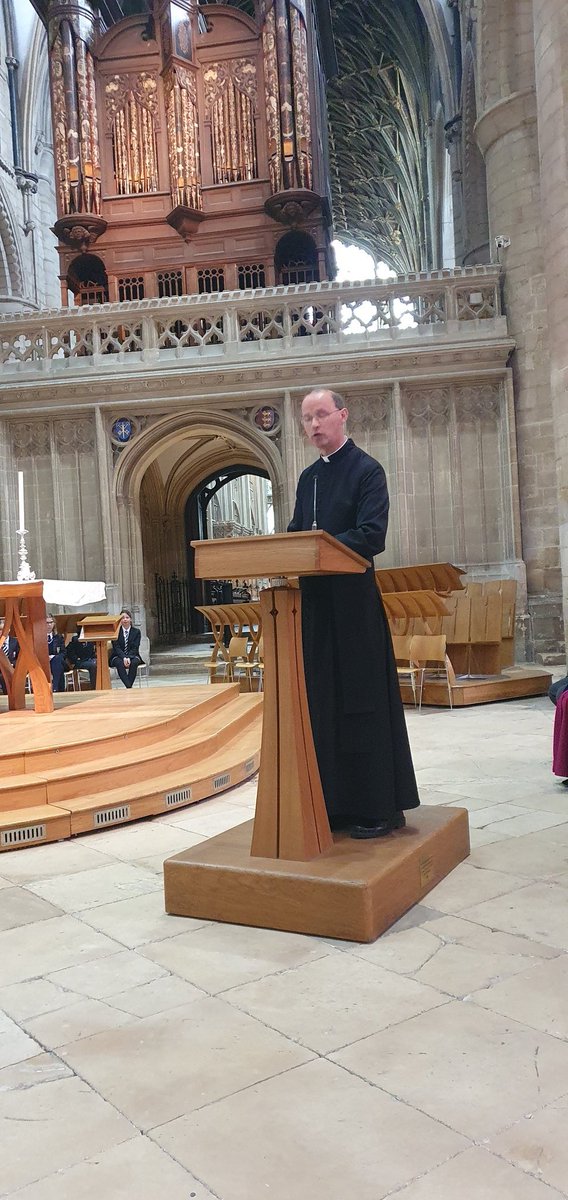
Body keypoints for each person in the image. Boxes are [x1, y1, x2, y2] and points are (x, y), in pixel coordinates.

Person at [288, 387, 420, 838]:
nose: (314, 425)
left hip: (354, 609)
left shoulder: (367, 470)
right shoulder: (308, 479)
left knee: (363, 704)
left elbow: (371, 535)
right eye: (307, 418)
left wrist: (319, 547)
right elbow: (296, 534)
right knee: (323, 703)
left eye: (321, 415)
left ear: (342, 415)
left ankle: (379, 807)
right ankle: (335, 805)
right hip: (316, 611)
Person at [109, 609, 143, 688]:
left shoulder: (136, 632)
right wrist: (124, 657)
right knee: (119, 663)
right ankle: (129, 687)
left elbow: (135, 647)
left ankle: (128, 687)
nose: (125, 620)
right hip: (118, 656)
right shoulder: (116, 632)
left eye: (127, 617)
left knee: (134, 662)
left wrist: (128, 657)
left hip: (133, 655)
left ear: (130, 619)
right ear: (120, 620)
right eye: (123, 618)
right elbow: (116, 647)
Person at [46, 614, 66, 692]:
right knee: (58, 664)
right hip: (43, 661)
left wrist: (53, 657)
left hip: (56, 661)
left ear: (54, 624)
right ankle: (56, 688)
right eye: (47, 623)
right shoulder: (38, 637)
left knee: (57, 660)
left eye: (51, 622)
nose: (49, 625)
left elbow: (63, 653)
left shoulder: (59, 637)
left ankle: (55, 687)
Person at [0, 616, 18, 694]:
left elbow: (19, 658)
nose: (2, 632)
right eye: (0, 629)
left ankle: (9, 696)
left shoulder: (15, 642)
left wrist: (12, 664)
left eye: (4, 629)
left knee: (5, 676)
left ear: (9, 629)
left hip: (11, 668)